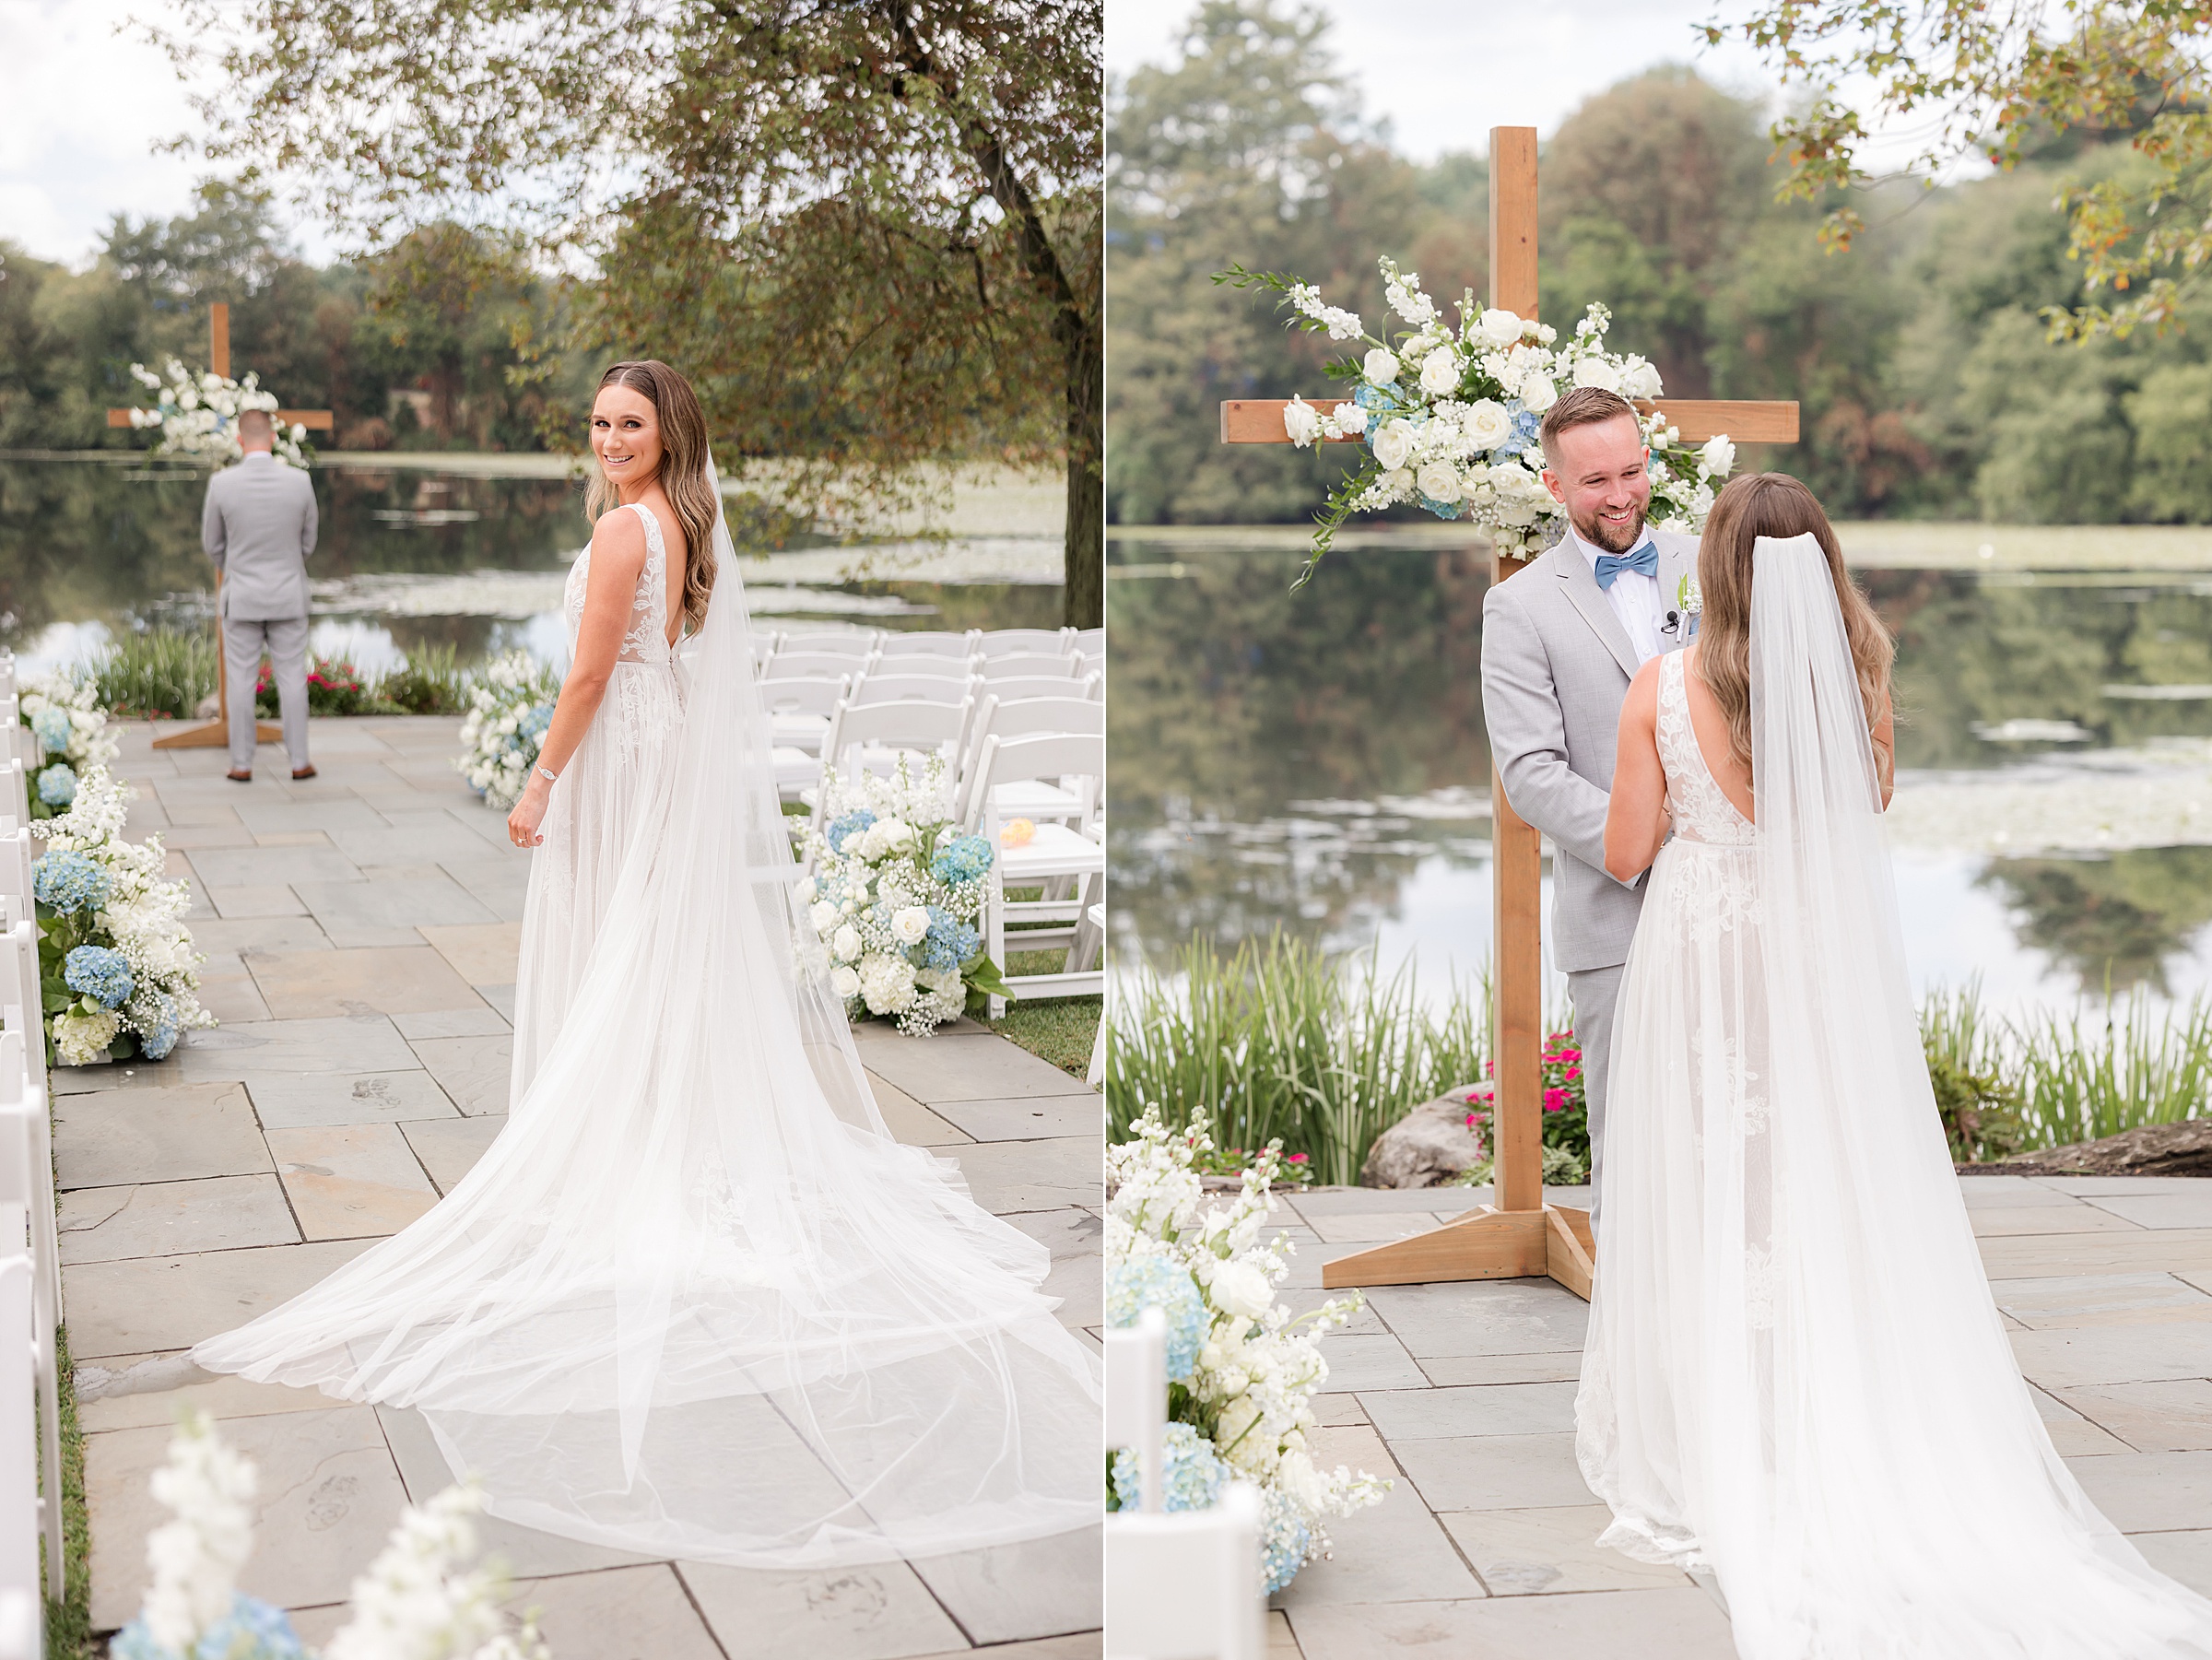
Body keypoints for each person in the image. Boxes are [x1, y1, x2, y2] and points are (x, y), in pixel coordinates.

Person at [192, 361, 1100, 1567]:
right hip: (657, 747)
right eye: (601, 423)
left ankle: (618, 1154)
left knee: (615, 942)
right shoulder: (683, 522)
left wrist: (539, 777)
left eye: (631, 423)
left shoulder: (630, 527)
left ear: (669, 434)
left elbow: (585, 674)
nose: (611, 438)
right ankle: (651, 1133)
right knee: (647, 953)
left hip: (617, 753)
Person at [1577, 471, 2212, 1657]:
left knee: (1709, 1185)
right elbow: (1861, 810)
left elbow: (1623, 849)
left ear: (1712, 566)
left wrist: (1677, 806)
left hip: (1704, 956)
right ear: (1822, 566)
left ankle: (1725, 1428)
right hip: (1809, 958)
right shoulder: (1857, 680)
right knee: (1815, 1178)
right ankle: (1829, 1406)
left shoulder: (1659, 689)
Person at [1479, 385, 1698, 1218]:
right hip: (1616, 904)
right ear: (1553, 487)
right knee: (1629, 1124)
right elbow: (1530, 772)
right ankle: (1628, 1322)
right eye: (1596, 480)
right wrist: (1640, 838)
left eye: (1633, 471)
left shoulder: (1707, 561)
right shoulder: (1520, 606)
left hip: (1732, 893)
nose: (1620, 495)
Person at [200, 408, 317, 782]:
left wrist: (236, 569)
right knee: (293, 678)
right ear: (272, 438)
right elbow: (308, 543)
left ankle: (241, 764)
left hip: (243, 598)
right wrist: (286, 565)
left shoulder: (222, 484)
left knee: (241, 681)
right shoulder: (300, 482)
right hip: (287, 595)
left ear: (239, 439)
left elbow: (212, 544)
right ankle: (300, 762)